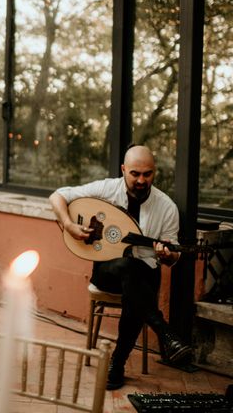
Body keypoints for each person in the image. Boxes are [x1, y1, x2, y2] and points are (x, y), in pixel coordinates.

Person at [49, 145, 192, 390]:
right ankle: (164, 332)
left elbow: (173, 256)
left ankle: (118, 362)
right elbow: (57, 196)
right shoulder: (107, 189)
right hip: (108, 271)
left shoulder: (166, 207)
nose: (141, 180)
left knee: (135, 284)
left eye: (147, 174)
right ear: (123, 169)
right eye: (135, 173)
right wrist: (69, 225)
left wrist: (167, 256)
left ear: (154, 172)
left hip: (145, 272)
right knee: (128, 268)